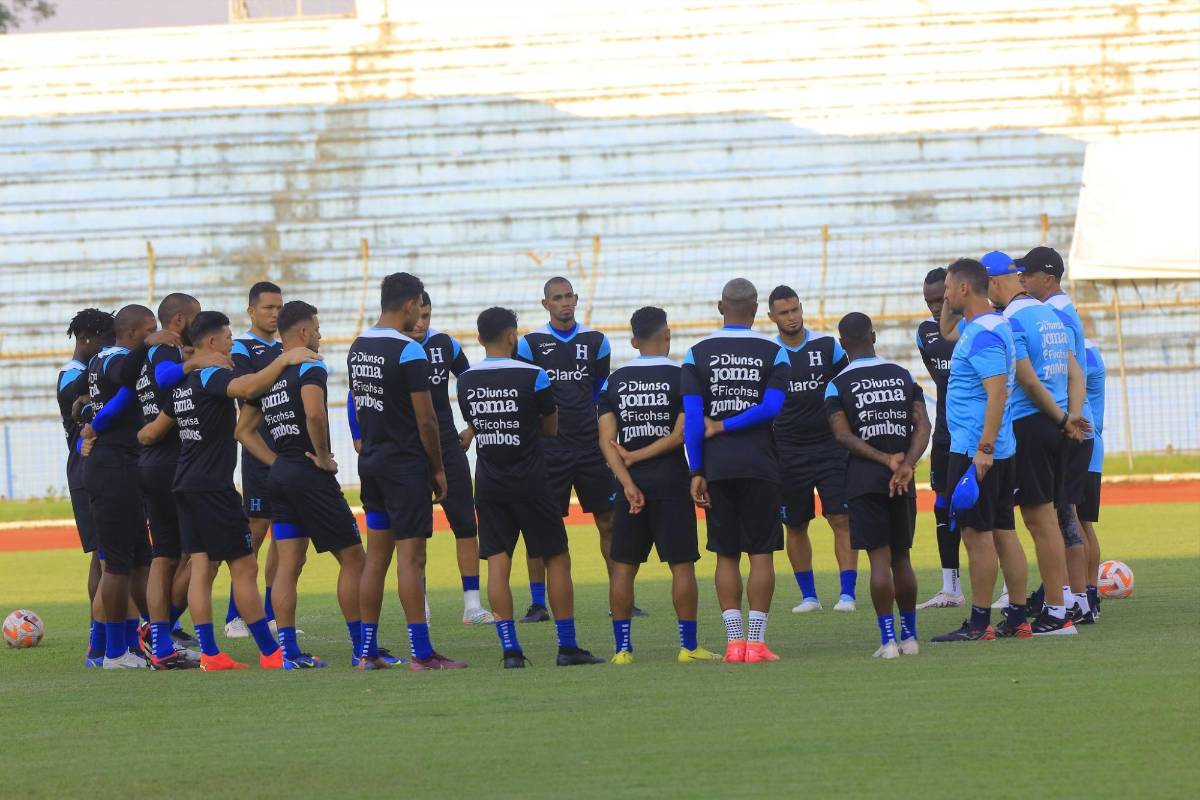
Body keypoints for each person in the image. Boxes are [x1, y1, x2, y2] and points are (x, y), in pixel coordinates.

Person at [166, 310, 315, 671]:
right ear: (213, 342)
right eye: (229, 338)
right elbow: (246, 388)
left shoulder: (184, 384)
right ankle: (270, 652)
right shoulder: (211, 374)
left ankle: (211, 655)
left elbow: (161, 426)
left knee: (202, 566)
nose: (233, 343)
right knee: (244, 566)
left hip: (185, 484)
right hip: (213, 489)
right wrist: (285, 359)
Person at [458, 307, 604, 668]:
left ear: (479, 338)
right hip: (532, 478)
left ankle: (510, 651)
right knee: (556, 557)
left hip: (489, 480)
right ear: (512, 336)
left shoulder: (466, 379)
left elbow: (474, 421)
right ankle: (567, 647)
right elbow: (550, 426)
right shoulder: (534, 375)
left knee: (497, 561)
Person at [348, 272, 465, 671]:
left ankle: (367, 651)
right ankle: (422, 653)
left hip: (373, 464)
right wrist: (438, 468)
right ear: (410, 303)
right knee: (412, 560)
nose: (419, 314)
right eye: (419, 305)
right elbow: (427, 419)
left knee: (375, 558)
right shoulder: (410, 350)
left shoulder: (358, 346)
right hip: (404, 466)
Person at [598, 306, 721, 664]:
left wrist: (627, 478)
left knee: (623, 566)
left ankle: (622, 650)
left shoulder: (614, 381)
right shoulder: (683, 375)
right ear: (667, 334)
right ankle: (689, 646)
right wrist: (639, 460)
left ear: (633, 340)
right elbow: (682, 432)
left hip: (628, 486)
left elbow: (606, 441)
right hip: (670, 479)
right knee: (681, 565)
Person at [515, 276, 636, 622]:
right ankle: (538, 604)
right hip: (550, 448)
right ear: (546, 304)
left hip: (589, 446)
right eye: (557, 298)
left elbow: (601, 394)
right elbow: (527, 397)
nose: (564, 302)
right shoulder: (530, 344)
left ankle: (620, 595)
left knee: (608, 520)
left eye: (569, 296)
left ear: (576, 299)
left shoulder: (596, 341)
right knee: (543, 524)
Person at [683, 278, 790, 663]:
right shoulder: (774, 353)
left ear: (720, 306)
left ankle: (733, 643)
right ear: (757, 308)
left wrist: (696, 469)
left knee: (725, 554)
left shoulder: (696, 354)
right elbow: (772, 408)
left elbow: (694, 418)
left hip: (716, 466)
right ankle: (756, 644)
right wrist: (730, 424)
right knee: (762, 553)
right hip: (760, 464)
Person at [259, 301, 366, 668]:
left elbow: (242, 430)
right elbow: (315, 413)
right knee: (354, 559)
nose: (320, 335)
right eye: (317, 329)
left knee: (288, 565)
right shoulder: (309, 365)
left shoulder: (269, 374)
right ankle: (362, 649)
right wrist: (322, 456)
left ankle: (289, 654)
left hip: (281, 474)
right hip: (309, 473)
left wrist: (279, 462)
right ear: (303, 333)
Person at [985, 250, 1085, 636]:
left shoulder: (1010, 321)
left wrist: (1062, 418)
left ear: (995, 283)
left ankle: (1057, 612)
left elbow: (1027, 380)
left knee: (1039, 521)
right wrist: (1070, 416)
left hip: (1032, 425)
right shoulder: (1050, 315)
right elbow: (1075, 371)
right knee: (1053, 521)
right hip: (1059, 428)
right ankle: (1060, 606)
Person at [824, 312, 930, 659]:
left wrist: (885, 462)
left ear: (842, 344)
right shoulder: (902, 375)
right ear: (874, 335)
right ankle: (910, 638)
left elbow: (842, 436)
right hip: (904, 479)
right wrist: (906, 464)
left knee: (879, 561)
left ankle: (888, 642)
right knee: (902, 558)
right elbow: (923, 426)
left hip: (864, 480)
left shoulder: (837, 385)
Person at [80, 304, 178, 669]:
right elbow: (122, 385)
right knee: (117, 566)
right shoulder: (114, 358)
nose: (157, 334)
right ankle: (114, 652)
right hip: (113, 468)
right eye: (150, 329)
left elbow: (110, 403)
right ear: (135, 333)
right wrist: (148, 347)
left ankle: (143, 644)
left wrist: (93, 426)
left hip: (123, 465)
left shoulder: (108, 360)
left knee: (140, 561)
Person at [930, 260, 1021, 643]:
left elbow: (996, 391)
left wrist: (983, 448)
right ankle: (1017, 617)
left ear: (964, 289)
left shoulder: (982, 333)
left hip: (975, 450)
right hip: (996, 447)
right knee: (1003, 530)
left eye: (949, 288)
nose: (943, 296)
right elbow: (947, 329)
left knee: (976, 535)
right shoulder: (987, 324)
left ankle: (980, 622)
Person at [765, 286, 857, 613]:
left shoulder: (827, 346)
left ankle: (847, 594)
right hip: (787, 450)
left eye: (794, 310)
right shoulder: (768, 353)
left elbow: (846, 390)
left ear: (801, 309)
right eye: (783, 313)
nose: (791, 318)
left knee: (840, 517)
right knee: (796, 523)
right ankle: (809, 596)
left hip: (830, 447)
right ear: (771, 317)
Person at [135, 292, 214, 669]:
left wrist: (93, 426)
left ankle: (161, 641)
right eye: (195, 319)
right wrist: (196, 360)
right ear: (180, 321)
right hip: (172, 460)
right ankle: (163, 631)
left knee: (163, 555)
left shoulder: (146, 353)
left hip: (150, 460)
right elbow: (168, 377)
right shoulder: (165, 347)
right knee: (198, 553)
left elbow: (122, 397)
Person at [1016, 246, 1095, 620]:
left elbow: (1070, 369)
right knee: (1067, 515)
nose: (1022, 281)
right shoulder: (1062, 311)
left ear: (1047, 278)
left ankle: (1070, 599)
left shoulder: (1053, 312)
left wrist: (1069, 417)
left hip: (1065, 422)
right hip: (1071, 419)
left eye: (1028, 275)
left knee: (1060, 516)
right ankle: (1076, 598)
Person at [406, 292, 494, 625]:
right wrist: (359, 437)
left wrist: (471, 429)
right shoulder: (393, 349)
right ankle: (421, 605)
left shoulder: (446, 346)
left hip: (447, 446)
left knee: (466, 525)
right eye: (417, 315)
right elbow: (361, 395)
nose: (420, 323)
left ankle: (472, 606)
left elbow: (473, 385)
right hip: (408, 451)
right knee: (415, 532)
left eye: (426, 315)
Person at [224, 281, 284, 639]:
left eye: (279, 308)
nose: (275, 314)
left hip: (289, 449)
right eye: (268, 308)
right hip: (259, 450)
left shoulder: (285, 346)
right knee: (256, 531)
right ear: (251, 312)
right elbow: (247, 390)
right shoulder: (242, 348)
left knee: (287, 534)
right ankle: (236, 615)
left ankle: (273, 612)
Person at [58, 308, 113, 667]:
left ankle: (104, 637)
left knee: (104, 555)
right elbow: (75, 403)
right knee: (108, 557)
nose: (109, 348)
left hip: (100, 469)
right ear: (87, 338)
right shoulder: (72, 376)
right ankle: (100, 639)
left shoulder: (91, 374)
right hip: (86, 470)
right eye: (106, 341)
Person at [913, 267, 964, 609]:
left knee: (990, 508)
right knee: (942, 506)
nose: (934, 306)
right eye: (928, 300)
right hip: (945, 433)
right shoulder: (925, 333)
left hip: (976, 433)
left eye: (939, 299)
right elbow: (940, 379)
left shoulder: (975, 326)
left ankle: (1007, 588)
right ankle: (951, 588)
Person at [1078, 338, 1107, 621]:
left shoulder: (1082, 353)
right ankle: (1089, 595)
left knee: (1072, 520)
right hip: (1092, 446)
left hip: (1081, 445)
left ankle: (1082, 597)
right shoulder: (1091, 350)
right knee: (1082, 523)